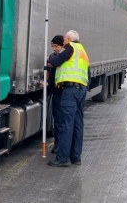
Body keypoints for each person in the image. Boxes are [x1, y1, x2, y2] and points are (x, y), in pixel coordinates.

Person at [47, 30, 89, 167]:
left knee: (66, 123)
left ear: (69, 38)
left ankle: (63, 158)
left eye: (64, 38)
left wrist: (50, 59)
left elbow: (56, 60)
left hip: (70, 90)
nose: (63, 41)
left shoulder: (70, 47)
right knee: (77, 124)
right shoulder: (82, 49)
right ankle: (76, 157)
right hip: (81, 89)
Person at [47, 35, 65, 154]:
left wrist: (52, 63)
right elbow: (51, 73)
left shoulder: (66, 56)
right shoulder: (52, 56)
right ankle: (57, 144)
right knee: (57, 119)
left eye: (56, 46)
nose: (54, 49)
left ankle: (61, 145)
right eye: (53, 46)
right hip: (56, 92)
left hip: (65, 91)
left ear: (62, 46)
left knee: (63, 120)